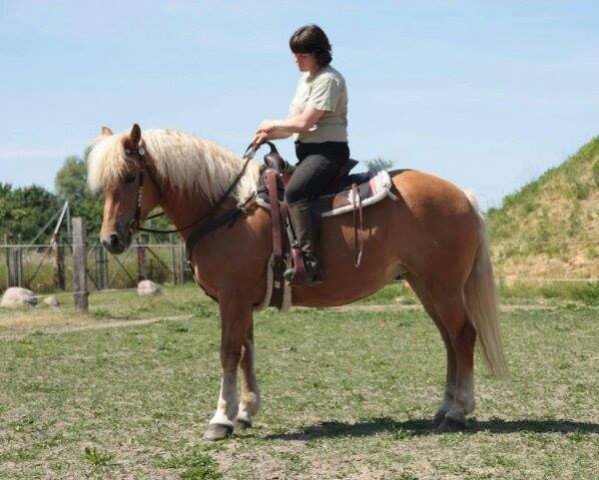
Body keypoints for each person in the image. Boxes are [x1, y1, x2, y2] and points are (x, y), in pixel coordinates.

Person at [253, 24, 349, 285]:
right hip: (308, 152)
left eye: (301, 55)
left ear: (318, 53)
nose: (295, 59)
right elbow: (293, 125)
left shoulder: (329, 80)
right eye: (294, 54)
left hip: (328, 153)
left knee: (296, 192)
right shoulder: (305, 80)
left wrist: (272, 124)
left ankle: (310, 263)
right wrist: (269, 135)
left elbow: (305, 123)